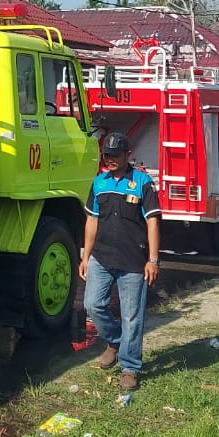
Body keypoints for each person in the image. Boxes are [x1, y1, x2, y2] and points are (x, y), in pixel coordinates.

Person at [79, 132, 161, 394]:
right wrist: (85, 256)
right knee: (93, 305)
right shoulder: (99, 183)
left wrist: (153, 259)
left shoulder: (142, 183)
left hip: (133, 262)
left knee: (132, 317)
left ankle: (130, 367)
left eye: (116, 155)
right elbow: (92, 221)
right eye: (107, 155)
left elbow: (153, 222)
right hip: (102, 258)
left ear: (128, 154)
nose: (111, 159)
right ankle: (115, 342)